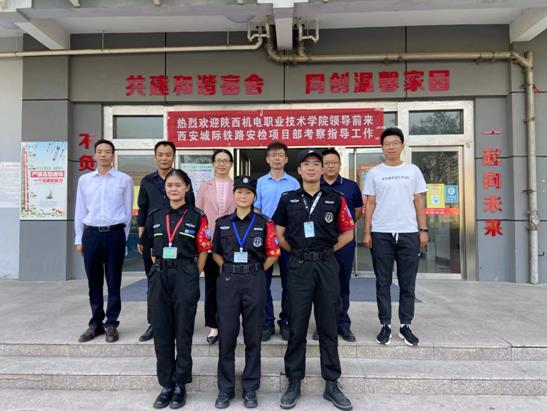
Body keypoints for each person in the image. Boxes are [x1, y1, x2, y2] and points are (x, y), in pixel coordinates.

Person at [273, 149, 355, 411]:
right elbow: (279, 234)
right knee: (297, 325)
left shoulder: (336, 199)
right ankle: (293, 382)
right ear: (298, 170)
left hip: (327, 266)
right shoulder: (288, 199)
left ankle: (331, 383)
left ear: (322, 169)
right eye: (306, 164)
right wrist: (299, 253)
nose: (311, 168)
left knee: (328, 325)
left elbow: (349, 232)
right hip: (299, 266)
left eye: (316, 164)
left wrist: (326, 252)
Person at [139, 169, 211, 409]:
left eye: (178, 185)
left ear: (187, 187)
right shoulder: (155, 215)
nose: (174, 189)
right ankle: (166, 384)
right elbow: (150, 249)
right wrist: (157, 270)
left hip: (185, 274)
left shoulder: (197, 216)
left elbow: (203, 250)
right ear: (165, 188)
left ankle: (180, 383)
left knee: (183, 330)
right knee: (161, 330)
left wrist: (192, 274)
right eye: (170, 185)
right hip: (160, 275)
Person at [212, 176, 281, 409]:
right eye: (239, 192)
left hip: (254, 280)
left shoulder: (264, 223)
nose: (243, 196)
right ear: (234, 195)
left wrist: (256, 271)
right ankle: (225, 389)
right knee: (227, 336)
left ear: (254, 196)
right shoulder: (222, 223)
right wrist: (229, 269)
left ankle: (250, 388)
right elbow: (215, 252)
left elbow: (273, 252)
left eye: (248, 192)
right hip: (229, 281)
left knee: (253, 336)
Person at [363, 127, 428, 347]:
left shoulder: (413, 170)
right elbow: (370, 203)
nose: (391, 147)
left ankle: (406, 325)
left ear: (402, 145)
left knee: (407, 282)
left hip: (408, 232)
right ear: (381, 147)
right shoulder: (375, 173)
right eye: (387, 143)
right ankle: (385, 324)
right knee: (383, 282)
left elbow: (419, 200)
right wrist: (367, 231)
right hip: (381, 232)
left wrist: (423, 230)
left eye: (395, 143)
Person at [75, 139, 133, 343]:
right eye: (99, 151)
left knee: (114, 281)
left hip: (115, 234)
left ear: (113, 155)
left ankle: (111, 323)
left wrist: (123, 239)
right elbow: (80, 210)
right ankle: (96, 323)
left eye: (107, 151)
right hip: (91, 234)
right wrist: (79, 238)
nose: (103, 155)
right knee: (94, 281)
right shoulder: (85, 180)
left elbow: (127, 213)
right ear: (94, 155)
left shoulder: (124, 180)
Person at [136, 140, 195, 343]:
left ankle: (177, 320)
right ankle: (154, 322)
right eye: (160, 154)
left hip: (179, 238)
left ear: (173, 156)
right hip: (155, 237)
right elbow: (142, 210)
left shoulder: (182, 179)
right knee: (154, 282)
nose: (164, 158)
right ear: (155, 157)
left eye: (168, 154)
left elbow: (191, 206)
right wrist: (143, 237)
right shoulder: (147, 181)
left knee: (179, 283)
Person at [315, 148, 363, 343]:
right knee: (321, 287)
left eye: (334, 162)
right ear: (321, 166)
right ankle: (322, 325)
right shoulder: (314, 185)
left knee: (343, 284)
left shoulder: (351, 186)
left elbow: (358, 212)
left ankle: (343, 323)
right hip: (320, 244)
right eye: (327, 163)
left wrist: (344, 229)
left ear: (340, 164)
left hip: (344, 243)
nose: (331, 166)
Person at [255, 141, 300, 342]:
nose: (276, 158)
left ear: (286, 159)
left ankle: (286, 321)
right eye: (273, 155)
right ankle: (266, 323)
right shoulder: (260, 183)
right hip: (265, 239)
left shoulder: (294, 183)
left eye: (280, 155)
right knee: (262, 282)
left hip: (287, 239)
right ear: (267, 159)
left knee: (290, 283)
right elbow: (256, 210)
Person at [196, 149, 236, 344]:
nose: (222, 164)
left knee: (232, 286)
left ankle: (230, 323)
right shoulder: (205, 186)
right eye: (218, 160)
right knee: (212, 285)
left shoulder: (237, 186)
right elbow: (198, 214)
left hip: (233, 242)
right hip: (210, 243)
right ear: (213, 163)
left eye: (226, 160)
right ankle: (214, 326)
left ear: (231, 164)